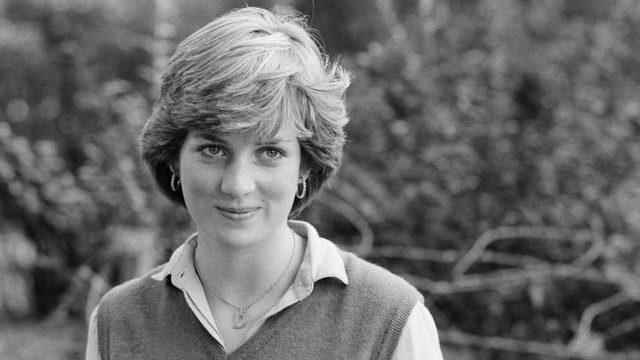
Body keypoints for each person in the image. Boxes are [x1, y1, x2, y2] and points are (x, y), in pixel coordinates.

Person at [86, 6, 443, 360]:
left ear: (305, 165)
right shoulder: (118, 323)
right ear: (173, 157)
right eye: (213, 149)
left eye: (269, 152)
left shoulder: (389, 322)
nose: (238, 185)